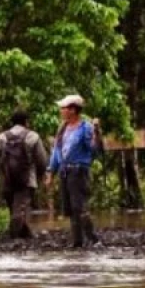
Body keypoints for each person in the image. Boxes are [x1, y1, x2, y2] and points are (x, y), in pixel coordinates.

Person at [44, 94, 103, 248]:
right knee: (70, 208)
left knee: (80, 206)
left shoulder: (85, 128)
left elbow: (94, 150)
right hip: (65, 171)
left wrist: (97, 132)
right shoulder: (63, 129)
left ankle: (94, 239)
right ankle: (77, 241)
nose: (61, 111)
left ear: (73, 110)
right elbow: (57, 153)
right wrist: (51, 172)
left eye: (63, 108)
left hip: (79, 171)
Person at [0, 109, 49, 238]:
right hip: (27, 180)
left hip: (8, 179)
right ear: (26, 122)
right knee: (19, 210)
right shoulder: (33, 136)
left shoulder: (1, 137)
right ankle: (13, 239)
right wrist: (43, 175)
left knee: (14, 209)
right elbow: (42, 161)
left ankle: (25, 235)